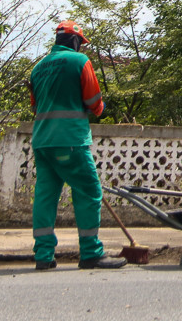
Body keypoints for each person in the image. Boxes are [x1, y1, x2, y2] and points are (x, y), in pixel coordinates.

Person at [28, 20, 126, 270]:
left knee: (45, 197)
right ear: (75, 42)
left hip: (42, 141)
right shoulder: (80, 62)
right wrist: (99, 109)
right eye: (81, 43)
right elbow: (93, 100)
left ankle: (43, 256)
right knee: (89, 191)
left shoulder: (37, 68)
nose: (81, 48)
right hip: (70, 140)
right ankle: (91, 253)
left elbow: (34, 105)